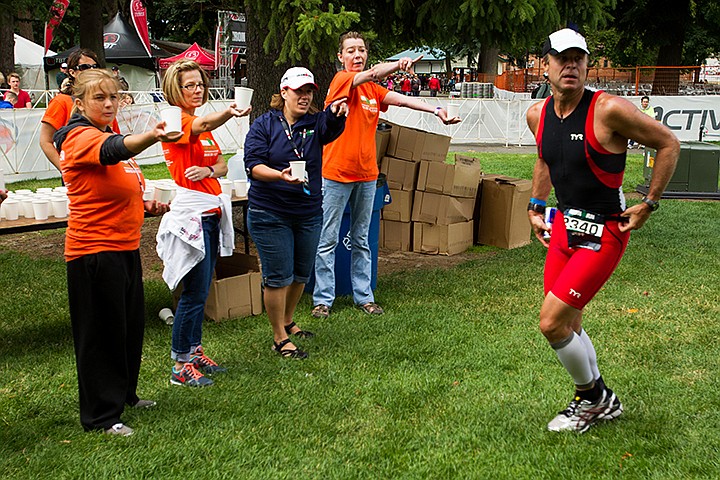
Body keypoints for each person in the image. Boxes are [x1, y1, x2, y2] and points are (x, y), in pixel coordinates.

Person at [525, 28, 679, 434]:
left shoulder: (608, 110)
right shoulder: (536, 114)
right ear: (546, 65)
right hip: (564, 228)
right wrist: (536, 205)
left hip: (605, 231)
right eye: (562, 58)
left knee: (551, 324)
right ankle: (601, 400)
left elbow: (668, 143)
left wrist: (649, 202)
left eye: (579, 58)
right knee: (569, 323)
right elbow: (544, 159)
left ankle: (591, 398)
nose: (571, 65)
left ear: (588, 64)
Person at [53, 68, 182, 436]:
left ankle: (125, 394)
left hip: (123, 247)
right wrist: (152, 135)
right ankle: (100, 415)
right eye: (99, 97)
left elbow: (112, 184)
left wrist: (145, 206)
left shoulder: (104, 134)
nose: (109, 103)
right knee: (100, 335)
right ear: (79, 103)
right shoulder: (79, 137)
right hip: (93, 251)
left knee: (126, 328)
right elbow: (112, 151)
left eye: (114, 96)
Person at [311, 31, 461, 319]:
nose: (357, 55)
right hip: (336, 174)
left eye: (362, 50)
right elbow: (372, 73)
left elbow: (403, 100)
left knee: (361, 239)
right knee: (328, 238)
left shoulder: (372, 92)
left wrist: (436, 110)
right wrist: (396, 65)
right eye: (351, 51)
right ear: (341, 57)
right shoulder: (342, 81)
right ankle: (323, 300)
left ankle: (363, 296)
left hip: (367, 175)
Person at [158, 59, 251, 387]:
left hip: (211, 211)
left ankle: (194, 352)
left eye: (200, 84)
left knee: (201, 290)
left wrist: (209, 171)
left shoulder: (199, 123)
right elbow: (199, 129)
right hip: (192, 215)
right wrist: (229, 112)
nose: (197, 90)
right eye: (189, 86)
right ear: (175, 89)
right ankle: (180, 363)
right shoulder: (176, 122)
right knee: (194, 292)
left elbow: (223, 164)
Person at [244, 67, 348, 359]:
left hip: (308, 211)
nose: (304, 96)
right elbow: (253, 164)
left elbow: (331, 125)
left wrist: (338, 113)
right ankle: (279, 337)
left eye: (309, 91)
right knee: (279, 276)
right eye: (299, 91)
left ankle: (288, 321)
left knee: (301, 273)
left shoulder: (315, 123)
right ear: (284, 92)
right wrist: (280, 176)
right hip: (270, 211)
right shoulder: (264, 125)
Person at [40, 48, 108, 173]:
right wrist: (65, 169)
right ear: (72, 72)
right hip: (76, 173)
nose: (91, 70)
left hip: (104, 170)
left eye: (95, 66)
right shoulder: (61, 101)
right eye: (85, 67)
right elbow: (45, 141)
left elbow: (113, 136)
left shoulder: (106, 102)